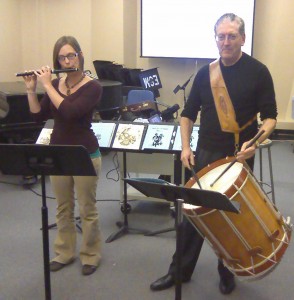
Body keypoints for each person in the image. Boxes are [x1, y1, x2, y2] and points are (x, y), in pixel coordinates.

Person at [150, 13, 277, 294]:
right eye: (221, 36)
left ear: (243, 38)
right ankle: (179, 271)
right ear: (215, 39)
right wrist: (185, 147)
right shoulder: (205, 74)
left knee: (230, 220)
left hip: (238, 157)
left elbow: (270, 118)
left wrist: (254, 142)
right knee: (193, 217)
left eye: (232, 36)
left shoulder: (259, 72)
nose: (226, 41)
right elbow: (187, 115)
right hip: (204, 153)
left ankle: (227, 271)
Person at [22, 36, 103, 276]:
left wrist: (47, 85)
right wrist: (31, 90)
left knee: (87, 208)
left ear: (79, 55)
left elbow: (69, 111)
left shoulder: (93, 87)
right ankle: (64, 252)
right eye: (61, 57)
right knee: (63, 207)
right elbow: (38, 116)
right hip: (58, 153)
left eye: (71, 55)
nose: (67, 61)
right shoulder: (56, 83)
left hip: (85, 154)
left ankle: (90, 254)